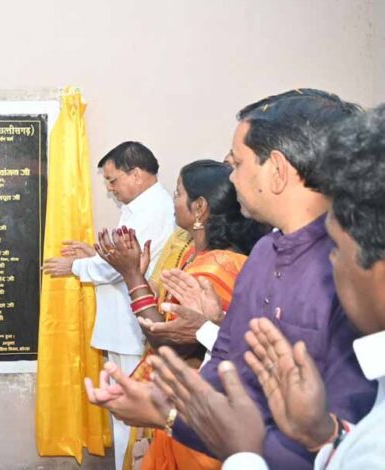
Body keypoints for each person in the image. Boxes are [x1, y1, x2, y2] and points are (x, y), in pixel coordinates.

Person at [84, 89, 376, 469]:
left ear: (276, 170)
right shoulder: (265, 251)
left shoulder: (354, 270)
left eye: (237, 163)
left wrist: (169, 416)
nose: (232, 178)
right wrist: (167, 404)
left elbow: (340, 441)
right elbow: (226, 363)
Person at [95, 160, 266, 469]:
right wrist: (141, 278)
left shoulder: (216, 268)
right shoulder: (192, 254)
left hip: (198, 410)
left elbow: (170, 344)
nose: (173, 201)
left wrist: (132, 276)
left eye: (178, 193)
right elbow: (169, 319)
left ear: (199, 207)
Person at [43, 141, 175, 469]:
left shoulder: (153, 209)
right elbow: (122, 258)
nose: (110, 189)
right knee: (122, 413)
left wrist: (74, 266)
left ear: (137, 174)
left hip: (134, 327)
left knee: (131, 415)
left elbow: (122, 268)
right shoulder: (139, 207)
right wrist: (95, 253)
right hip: (123, 326)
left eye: (113, 180)